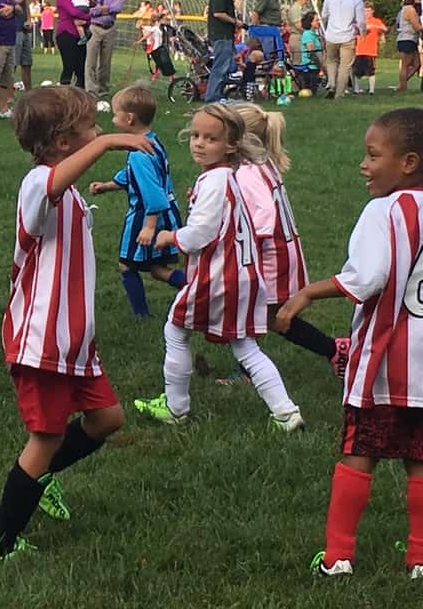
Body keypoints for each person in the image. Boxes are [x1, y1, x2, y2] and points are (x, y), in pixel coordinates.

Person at [0, 85, 152, 562]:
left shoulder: (70, 192)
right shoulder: (39, 182)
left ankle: (41, 480)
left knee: (106, 419)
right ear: (62, 144)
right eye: (89, 130)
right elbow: (53, 184)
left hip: (74, 341)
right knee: (46, 437)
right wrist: (107, 145)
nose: (99, 133)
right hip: (42, 340)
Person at [275, 108, 423, 579]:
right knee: (419, 459)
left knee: (362, 451)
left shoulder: (382, 211)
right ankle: (420, 558)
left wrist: (306, 292)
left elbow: (368, 277)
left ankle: (338, 558)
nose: (363, 164)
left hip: (384, 361)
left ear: (409, 162)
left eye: (373, 155)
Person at [133, 103, 304, 431]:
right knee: (245, 345)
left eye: (210, 138)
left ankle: (175, 406)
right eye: (195, 135)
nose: (199, 143)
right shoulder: (225, 176)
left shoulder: (215, 181)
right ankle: (286, 412)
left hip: (217, 276)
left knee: (175, 330)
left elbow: (201, 234)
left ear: (231, 145)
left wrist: (171, 236)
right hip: (242, 273)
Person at [228, 102, 350, 377]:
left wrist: (249, 243)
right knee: (270, 316)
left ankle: (250, 372)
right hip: (282, 250)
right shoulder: (260, 164)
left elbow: (264, 213)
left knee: (251, 314)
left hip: (269, 255)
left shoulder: (247, 172)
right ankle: (334, 349)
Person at [88, 84, 185, 319]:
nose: (112, 119)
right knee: (156, 268)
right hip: (167, 211)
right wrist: (108, 185)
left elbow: (151, 191)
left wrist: (149, 226)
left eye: (115, 114)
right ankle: (199, 288)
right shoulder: (151, 141)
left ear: (129, 118)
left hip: (147, 214)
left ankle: (141, 316)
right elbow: (135, 176)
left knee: (127, 264)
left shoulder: (139, 154)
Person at [320, 0, 366, 99]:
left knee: (331, 61)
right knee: (345, 66)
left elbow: (323, 16)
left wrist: (323, 31)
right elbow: (361, 21)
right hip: (347, 36)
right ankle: (339, 93)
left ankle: (331, 84)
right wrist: (363, 33)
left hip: (331, 35)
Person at [85, 0, 124, 100]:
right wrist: (102, 10)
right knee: (90, 62)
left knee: (105, 63)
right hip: (94, 27)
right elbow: (88, 10)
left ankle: (103, 91)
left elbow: (118, 7)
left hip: (110, 28)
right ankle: (91, 91)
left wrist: (107, 9)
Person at [205, 0, 243, 103]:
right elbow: (218, 13)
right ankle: (212, 96)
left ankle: (218, 94)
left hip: (225, 34)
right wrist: (235, 21)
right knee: (220, 67)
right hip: (221, 34)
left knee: (226, 66)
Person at [51, 0, 87, 86]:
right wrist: (89, 16)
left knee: (80, 67)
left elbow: (86, 4)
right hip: (66, 34)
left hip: (77, 35)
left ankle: (80, 94)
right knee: (69, 66)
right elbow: (73, 11)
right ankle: (64, 94)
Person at [4, 0, 32, 92]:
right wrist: (20, 0)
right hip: (13, 28)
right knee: (12, 63)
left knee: (27, 63)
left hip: (24, 27)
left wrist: (29, 19)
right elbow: (7, 2)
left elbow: (25, 2)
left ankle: (29, 94)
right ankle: (8, 95)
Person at [352, 2, 387, 95]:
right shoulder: (359, 21)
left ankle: (371, 90)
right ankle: (356, 89)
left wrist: (374, 26)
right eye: (365, 11)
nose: (366, 13)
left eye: (368, 11)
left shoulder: (376, 21)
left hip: (371, 50)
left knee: (371, 70)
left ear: (372, 11)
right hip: (359, 49)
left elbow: (384, 28)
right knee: (357, 71)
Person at [396, 0, 423, 92]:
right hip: (406, 39)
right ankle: (403, 87)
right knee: (405, 65)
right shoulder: (410, 9)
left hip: (410, 39)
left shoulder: (406, 9)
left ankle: (401, 84)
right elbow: (417, 27)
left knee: (417, 64)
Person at [285, 0, 311, 64]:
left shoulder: (301, 8)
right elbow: (298, 26)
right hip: (297, 38)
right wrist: (309, 33)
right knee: (298, 62)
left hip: (301, 37)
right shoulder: (295, 9)